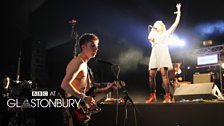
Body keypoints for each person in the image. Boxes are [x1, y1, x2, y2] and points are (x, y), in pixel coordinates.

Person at [60, 33, 117, 126]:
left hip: (79, 108)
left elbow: (89, 91)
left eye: (97, 46)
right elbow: (64, 84)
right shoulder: (78, 62)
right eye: (92, 45)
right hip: (73, 108)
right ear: (83, 46)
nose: (96, 49)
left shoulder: (85, 65)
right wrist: (84, 98)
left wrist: (109, 88)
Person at [146, 3, 181, 103]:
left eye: (157, 25)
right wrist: (153, 32)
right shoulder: (153, 36)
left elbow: (176, 23)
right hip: (155, 53)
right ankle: (152, 95)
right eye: (155, 25)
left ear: (161, 27)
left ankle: (167, 96)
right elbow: (150, 38)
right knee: (151, 74)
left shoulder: (166, 33)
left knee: (163, 74)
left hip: (163, 52)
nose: (155, 26)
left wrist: (178, 11)